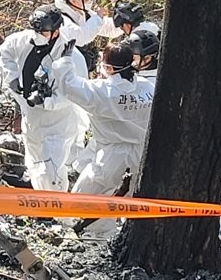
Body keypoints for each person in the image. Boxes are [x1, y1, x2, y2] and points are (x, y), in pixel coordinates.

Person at [49, 41, 155, 234]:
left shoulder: (102, 91)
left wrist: (64, 61)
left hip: (112, 154)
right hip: (144, 152)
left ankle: (98, 237)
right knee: (132, 195)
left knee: (88, 195)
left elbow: (69, 85)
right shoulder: (147, 87)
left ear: (108, 67)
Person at [0, 5, 89, 192]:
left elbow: (77, 93)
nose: (40, 35)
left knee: (52, 167)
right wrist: (13, 77)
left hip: (59, 122)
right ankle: (40, 205)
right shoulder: (24, 40)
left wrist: (49, 100)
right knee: (35, 163)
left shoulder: (72, 57)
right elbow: (5, 50)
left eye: (45, 32)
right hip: (31, 116)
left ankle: (55, 207)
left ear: (56, 31)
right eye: (37, 31)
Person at [53, 0, 122, 48]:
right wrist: (98, 18)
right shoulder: (61, 20)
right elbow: (81, 37)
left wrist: (123, 21)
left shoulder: (83, 13)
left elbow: (108, 29)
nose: (90, 1)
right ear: (74, 1)